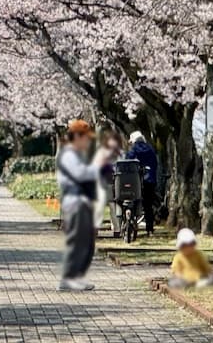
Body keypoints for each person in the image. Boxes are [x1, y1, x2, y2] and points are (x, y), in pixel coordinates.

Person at [58, 119, 115, 291]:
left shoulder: (77, 154)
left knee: (87, 242)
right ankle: (69, 278)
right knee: (79, 241)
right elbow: (80, 174)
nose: (88, 141)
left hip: (83, 201)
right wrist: (98, 166)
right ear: (76, 136)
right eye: (86, 138)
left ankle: (77, 277)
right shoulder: (68, 154)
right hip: (75, 202)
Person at [126, 131, 159, 234]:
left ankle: (131, 221)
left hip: (136, 180)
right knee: (148, 205)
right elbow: (155, 164)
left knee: (133, 200)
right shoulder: (150, 149)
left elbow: (128, 162)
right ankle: (149, 229)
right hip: (150, 180)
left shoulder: (134, 150)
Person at [93, 130, 123, 231]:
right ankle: (117, 228)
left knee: (102, 205)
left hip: (105, 182)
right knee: (112, 206)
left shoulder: (103, 153)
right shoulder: (119, 153)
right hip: (113, 182)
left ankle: (97, 228)